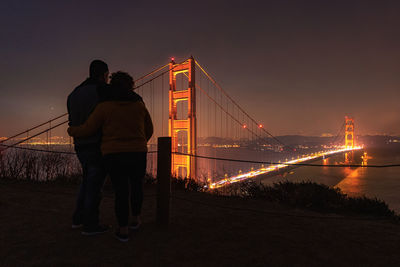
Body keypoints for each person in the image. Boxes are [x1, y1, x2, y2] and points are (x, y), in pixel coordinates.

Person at [68, 71, 153, 242]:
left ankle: (123, 231)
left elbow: (88, 129)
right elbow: (149, 129)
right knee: (137, 187)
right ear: (131, 86)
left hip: (114, 155)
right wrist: (139, 142)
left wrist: (72, 131)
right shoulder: (139, 105)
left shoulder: (104, 107)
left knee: (121, 191)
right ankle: (135, 220)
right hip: (138, 153)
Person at [67, 60, 110, 235]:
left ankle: (78, 219)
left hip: (80, 145)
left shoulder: (74, 93)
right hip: (97, 144)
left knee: (87, 182)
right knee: (95, 186)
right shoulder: (102, 91)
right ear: (104, 74)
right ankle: (90, 224)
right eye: (107, 76)